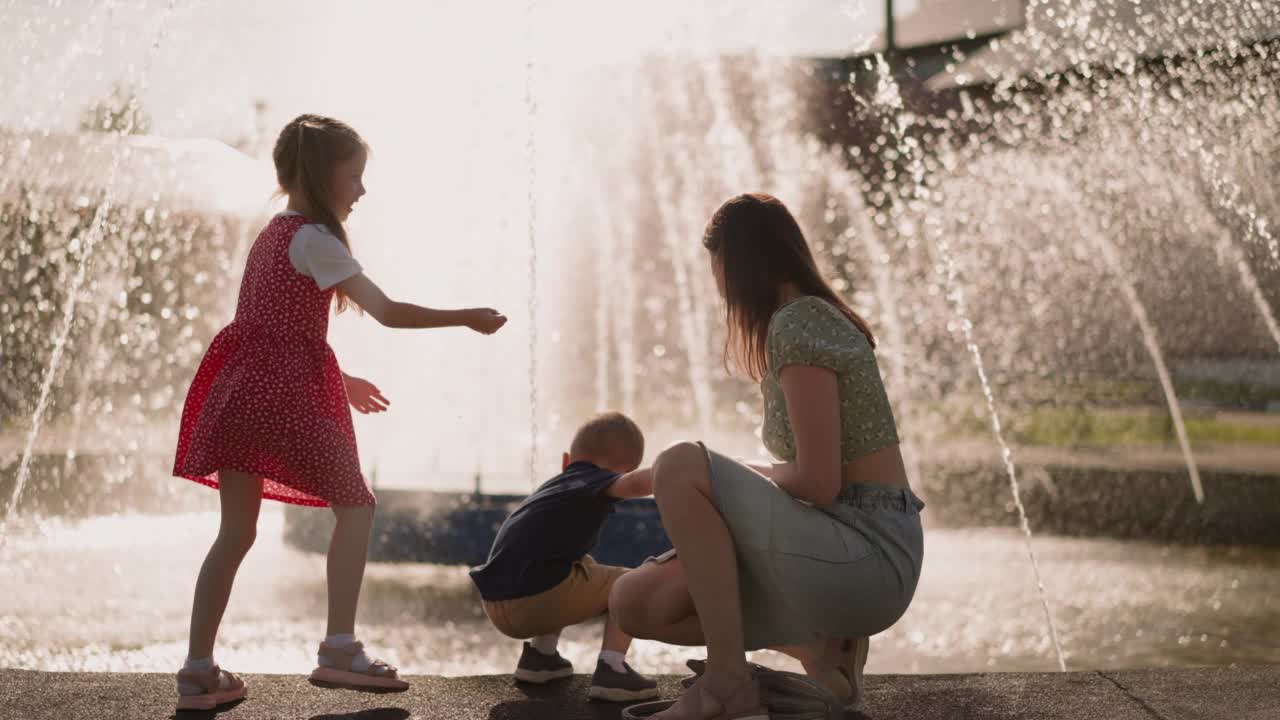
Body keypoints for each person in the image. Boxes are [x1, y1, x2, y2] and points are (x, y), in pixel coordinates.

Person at [171, 114, 507, 711]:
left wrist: (340, 377)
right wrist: (465, 317)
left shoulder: (275, 232)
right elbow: (389, 312)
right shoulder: (316, 239)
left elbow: (270, 330)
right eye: (354, 176)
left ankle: (197, 668)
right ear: (323, 173)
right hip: (284, 401)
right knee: (356, 507)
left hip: (240, 394)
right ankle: (339, 648)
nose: (361, 190)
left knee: (236, 532)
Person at [609, 193, 925, 719]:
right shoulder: (804, 319)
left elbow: (818, 482)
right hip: (832, 547)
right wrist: (697, 481)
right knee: (635, 601)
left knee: (683, 460)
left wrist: (691, 475)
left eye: (719, 270)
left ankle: (728, 684)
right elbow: (811, 481)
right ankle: (820, 652)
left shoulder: (799, 321)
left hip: (870, 555)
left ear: (739, 265)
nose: (719, 288)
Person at [470, 412, 660, 703]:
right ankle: (612, 668)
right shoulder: (597, 479)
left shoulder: (555, 486)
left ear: (565, 460)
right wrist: (679, 471)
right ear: (621, 472)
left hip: (496, 603)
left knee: (581, 565)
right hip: (533, 602)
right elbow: (633, 485)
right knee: (629, 583)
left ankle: (540, 658)